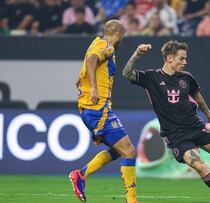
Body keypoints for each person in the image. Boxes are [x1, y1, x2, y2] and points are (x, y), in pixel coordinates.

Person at [122, 40, 210, 203]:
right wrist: (136, 54)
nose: (185, 62)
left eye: (185, 58)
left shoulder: (187, 78)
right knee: (200, 166)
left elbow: (196, 95)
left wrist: (208, 114)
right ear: (169, 58)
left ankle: (200, 144)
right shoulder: (151, 77)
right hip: (176, 135)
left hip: (196, 127)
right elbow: (126, 73)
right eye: (182, 58)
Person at [69, 20, 138, 203]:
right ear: (117, 34)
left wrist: (81, 77)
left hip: (97, 109)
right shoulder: (107, 45)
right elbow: (92, 59)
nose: (121, 40)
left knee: (119, 151)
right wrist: (93, 87)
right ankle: (131, 200)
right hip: (97, 108)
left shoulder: (96, 43)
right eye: (121, 36)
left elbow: (90, 61)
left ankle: (80, 175)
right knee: (129, 151)